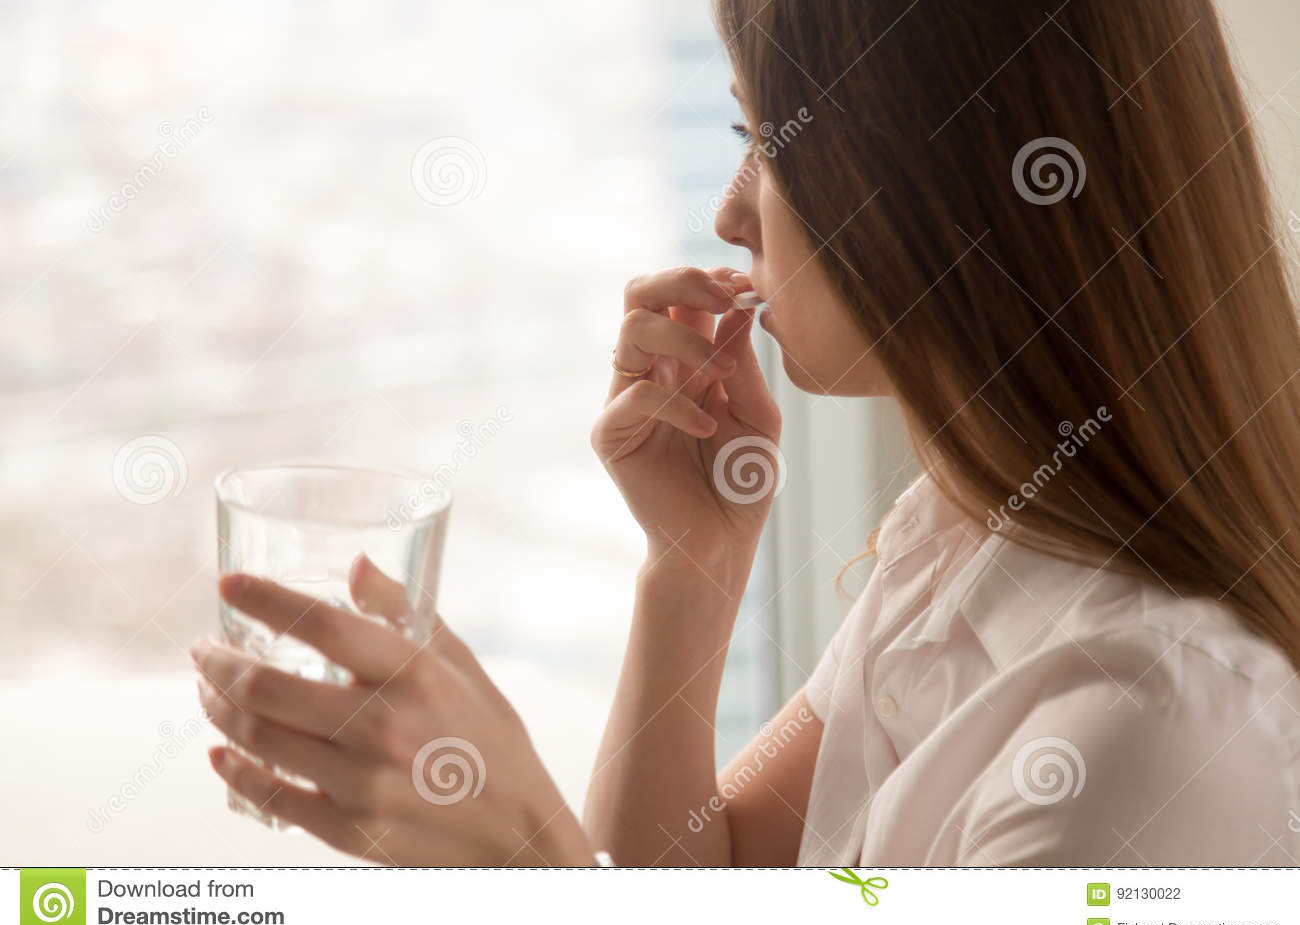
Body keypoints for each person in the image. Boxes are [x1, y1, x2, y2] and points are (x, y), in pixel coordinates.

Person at [192, 0, 1300, 865]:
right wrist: (691, 568)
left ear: (940, 179)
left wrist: (515, 858)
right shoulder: (968, 545)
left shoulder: (1146, 729)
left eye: (766, 140)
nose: (728, 212)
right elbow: (698, 894)